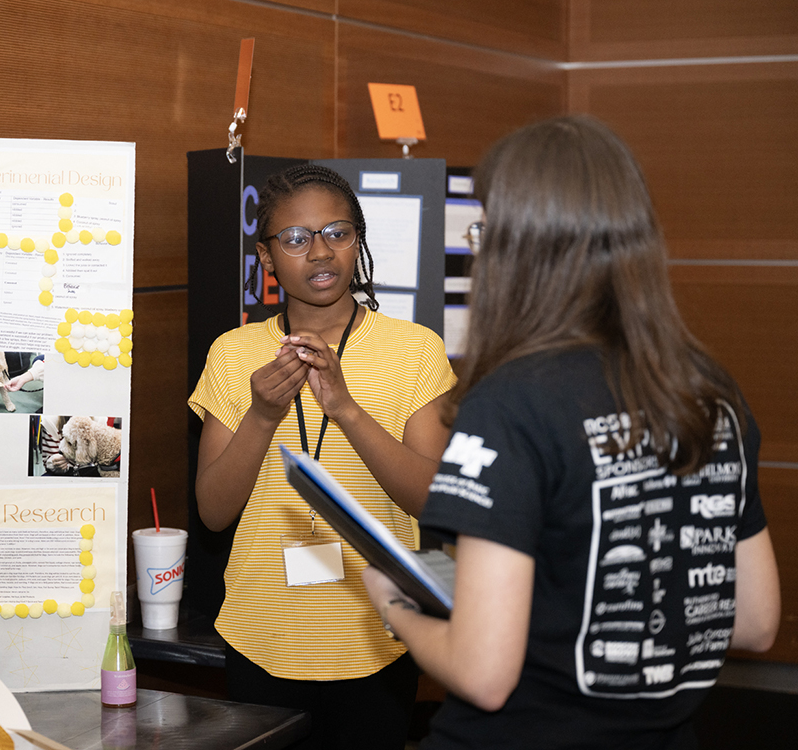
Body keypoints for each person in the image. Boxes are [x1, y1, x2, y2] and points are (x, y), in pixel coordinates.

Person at [363, 116, 781, 749]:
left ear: (520, 248)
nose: (480, 247)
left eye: (485, 229)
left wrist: (394, 606)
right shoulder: (709, 391)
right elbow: (754, 622)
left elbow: (483, 674)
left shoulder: (512, 402)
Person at [189, 164, 456, 749]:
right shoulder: (235, 355)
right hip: (262, 630)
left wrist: (346, 408)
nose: (320, 252)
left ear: (357, 242)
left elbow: (433, 501)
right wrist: (262, 414)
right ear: (266, 257)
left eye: (337, 233)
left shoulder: (414, 350)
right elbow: (212, 511)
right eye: (296, 238)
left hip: (379, 632)